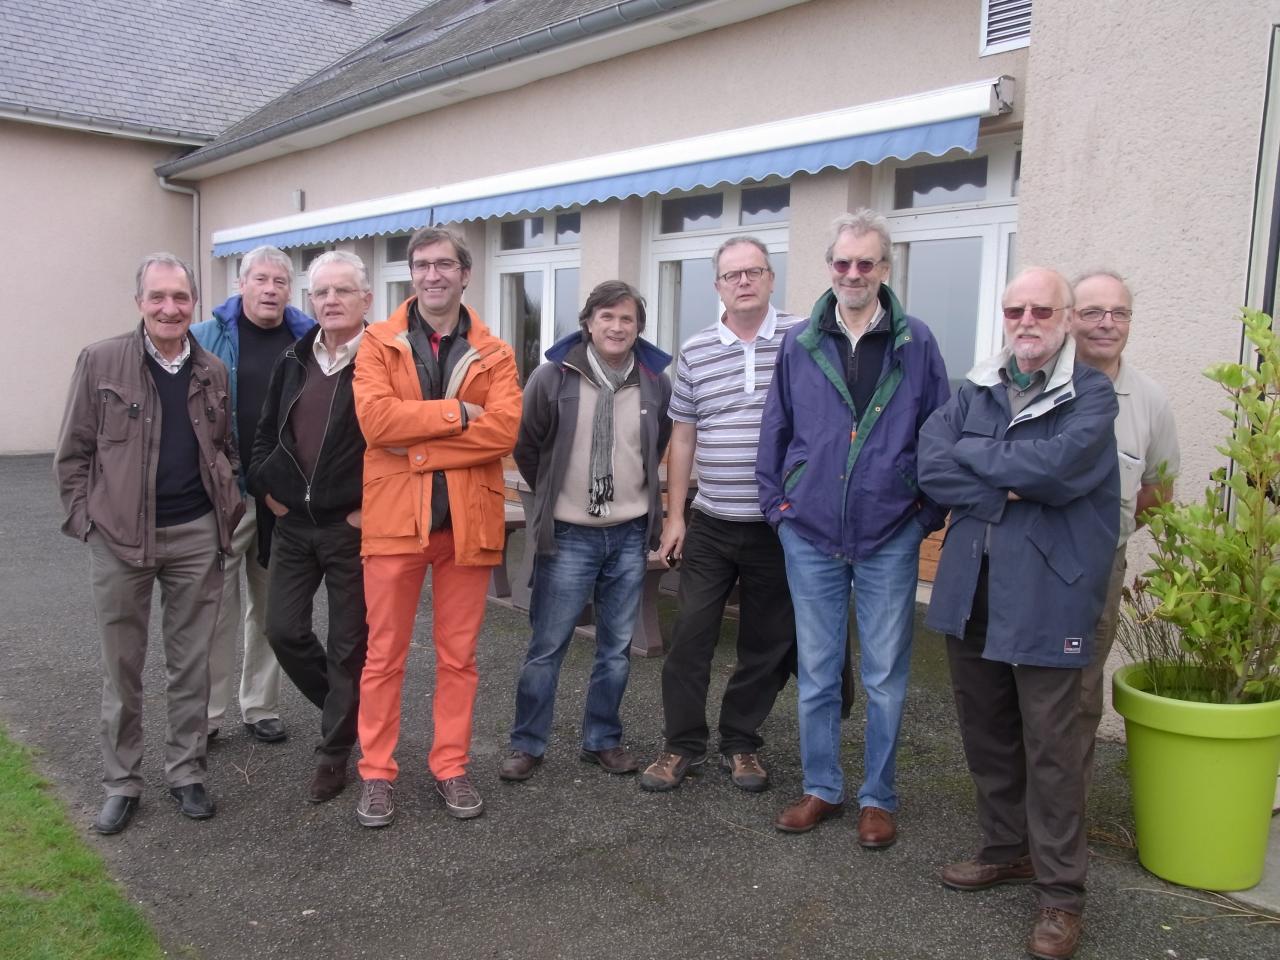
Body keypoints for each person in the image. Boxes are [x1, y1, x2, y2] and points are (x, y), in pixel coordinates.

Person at [918, 267, 1121, 960]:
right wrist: (999, 487)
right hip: (971, 584)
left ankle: (1062, 895)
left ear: (1065, 319)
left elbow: (1061, 468)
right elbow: (931, 462)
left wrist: (983, 461)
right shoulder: (975, 387)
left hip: (1048, 590)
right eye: (1015, 309)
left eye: (1041, 309)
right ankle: (1007, 849)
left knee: (1054, 750)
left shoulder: (1091, 393)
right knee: (988, 734)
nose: (1026, 320)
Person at [756, 210, 949, 846]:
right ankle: (821, 787)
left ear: (885, 269)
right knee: (815, 670)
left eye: (866, 263)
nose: (853, 273)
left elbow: (940, 438)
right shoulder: (800, 342)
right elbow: (776, 433)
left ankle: (878, 796)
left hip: (889, 535)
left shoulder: (916, 342)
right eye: (843, 263)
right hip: (809, 534)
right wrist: (779, 512)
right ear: (829, 267)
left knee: (885, 676)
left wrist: (923, 515)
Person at [55, 253, 243, 833]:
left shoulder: (212, 369)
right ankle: (122, 782)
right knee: (122, 666)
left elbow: (226, 446)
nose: (170, 308)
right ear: (140, 302)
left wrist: (226, 509)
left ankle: (187, 773)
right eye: (158, 297)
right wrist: (85, 519)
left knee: (191, 666)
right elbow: (74, 452)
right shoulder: (101, 360)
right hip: (118, 539)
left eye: (180, 298)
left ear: (193, 302)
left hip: (194, 534)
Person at [352, 226, 521, 827]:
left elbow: (503, 432)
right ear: (411, 274)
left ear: (464, 273)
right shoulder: (377, 342)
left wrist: (418, 446)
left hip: (467, 527)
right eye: (422, 265)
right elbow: (375, 422)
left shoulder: (495, 351)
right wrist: (456, 415)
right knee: (383, 657)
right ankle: (376, 772)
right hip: (396, 524)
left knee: (458, 658)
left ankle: (450, 765)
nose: (432, 275)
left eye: (444, 265)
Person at [638, 236, 800, 795]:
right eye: (732, 275)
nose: (744, 281)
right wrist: (675, 513)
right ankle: (681, 744)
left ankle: (741, 743)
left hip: (778, 528)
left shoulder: (802, 340)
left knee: (767, 642)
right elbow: (683, 435)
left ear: (771, 279)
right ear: (718, 287)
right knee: (690, 637)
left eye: (754, 271)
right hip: (710, 521)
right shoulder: (698, 349)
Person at [500, 281, 672, 782]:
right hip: (570, 534)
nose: (617, 327)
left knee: (616, 649)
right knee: (547, 646)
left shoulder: (654, 381)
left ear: (638, 327)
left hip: (629, 533)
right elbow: (528, 447)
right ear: (589, 322)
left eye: (628, 319)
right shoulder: (553, 377)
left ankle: (602, 739)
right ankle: (527, 743)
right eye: (607, 317)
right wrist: (562, 497)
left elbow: (654, 446)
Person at [247, 251, 372, 804]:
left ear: (365, 299)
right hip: (293, 524)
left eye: (342, 291)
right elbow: (263, 435)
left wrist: (374, 509)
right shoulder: (294, 359)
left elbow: (401, 448)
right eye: (321, 293)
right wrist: (264, 488)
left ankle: (333, 753)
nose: (330, 301)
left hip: (352, 528)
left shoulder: (386, 361)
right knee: (283, 631)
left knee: (349, 645)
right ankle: (350, 714)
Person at [192, 245, 315, 744]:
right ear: (242, 283)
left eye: (280, 282)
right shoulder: (205, 337)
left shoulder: (308, 338)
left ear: (290, 289)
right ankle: (209, 715)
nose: (270, 289)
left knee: (270, 609)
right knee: (216, 610)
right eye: (260, 279)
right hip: (225, 496)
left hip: (281, 500)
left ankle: (260, 706)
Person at [1068, 269, 1179, 791]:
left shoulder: (1151, 401)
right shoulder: (1039, 383)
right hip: (1026, 559)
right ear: (1070, 319)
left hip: (1100, 566)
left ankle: (1065, 821)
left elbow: (1156, 492)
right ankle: (1012, 817)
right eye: (1092, 312)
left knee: (1084, 688)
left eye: (1119, 313)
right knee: (1015, 686)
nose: (1106, 324)